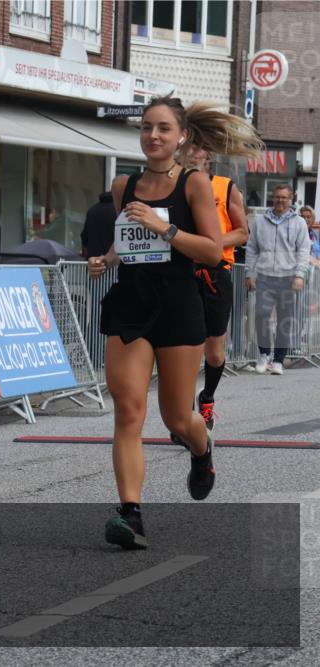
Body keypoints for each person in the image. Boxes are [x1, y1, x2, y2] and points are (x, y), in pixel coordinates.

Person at [88, 97, 264, 550]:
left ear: (181, 136)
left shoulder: (195, 184)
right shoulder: (123, 185)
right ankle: (131, 515)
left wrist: (164, 229)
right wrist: (105, 259)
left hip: (178, 303)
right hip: (131, 300)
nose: (153, 136)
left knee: (176, 417)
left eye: (164, 129)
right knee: (128, 410)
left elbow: (211, 249)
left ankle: (201, 449)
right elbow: (126, 239)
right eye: (147, 128)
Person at [186, 146, 248, 428]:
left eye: (195, 149)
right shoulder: (174, 187)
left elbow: (242, 232)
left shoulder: (225, 187)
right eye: (184, 148)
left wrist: (210, 243)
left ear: (206, 156)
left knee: (214, 352)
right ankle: (182, 415)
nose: (189, 153)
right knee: (183, 347)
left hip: (215, 272)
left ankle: (207, 398)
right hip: (182, 273)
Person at [245, 184, 310, 374]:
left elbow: (303, 251)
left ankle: (279, 360)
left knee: (285, 320)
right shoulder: (260, 221)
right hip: (264, 277)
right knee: (261, 316)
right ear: (273, 198)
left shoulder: (298, 223)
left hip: (288, 278)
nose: (280, 200)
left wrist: (299, 275)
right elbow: (252, 249)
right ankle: (264, 354)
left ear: (291, 200)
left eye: (284, 197)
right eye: (277, 197)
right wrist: (250, 273)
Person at [80, 191, 116, 259]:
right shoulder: (118, 210)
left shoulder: (92, 210)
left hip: (94, 261)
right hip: (114, 262)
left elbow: (84, 238)